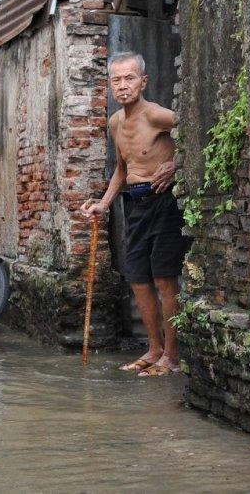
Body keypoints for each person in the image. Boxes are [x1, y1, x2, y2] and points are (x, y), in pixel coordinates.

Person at [80, 51, 184, 377]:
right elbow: (122, 170)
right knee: (138, 279)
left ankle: (172, 356)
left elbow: (196, 132)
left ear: (143, 81)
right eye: (117, 80)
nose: (123, 86)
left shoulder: (155, 115)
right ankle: (153, 349)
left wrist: (177, 164)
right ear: (110, 85)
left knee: (164, 278)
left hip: (164, 201)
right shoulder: (115, 123)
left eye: (130, 78)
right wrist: (104, 203)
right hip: (135, 204)